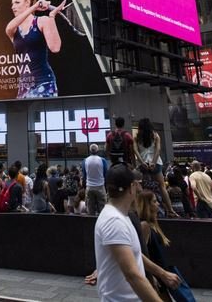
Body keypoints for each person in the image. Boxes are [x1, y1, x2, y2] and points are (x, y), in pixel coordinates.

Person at [94, 164, 164, 302]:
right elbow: (132, 275)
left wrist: (162, 273)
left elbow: (132, 253)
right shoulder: (114, 221)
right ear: (132, 187)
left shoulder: (121, 216)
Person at [4, 0, 66, 98]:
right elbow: (8, 27)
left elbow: (55, 48)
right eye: (12, 3)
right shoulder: (13, 30)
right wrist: (35, 7)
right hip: (24, 86)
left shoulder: (42, 21)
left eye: (17, 2)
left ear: (28, 2)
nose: (13, 6)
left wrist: (51, 17)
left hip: (44, 82)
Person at [134, 119, 176, 217]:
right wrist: (153, 162)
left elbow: (135, 151)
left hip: (143, 165)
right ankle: (170, 210)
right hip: (156, 163)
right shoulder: (155, 135)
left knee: (144, 188)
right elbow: (158, 149)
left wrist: (142, 162)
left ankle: (142, 209)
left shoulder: (137, 137)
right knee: (162, 186)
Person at [83, 143, 108, 215]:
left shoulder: (85, 160)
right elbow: (105, 173)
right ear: (98, 151)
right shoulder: (102, 160)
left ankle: (91, 223)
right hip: (100, 186)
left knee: (90, 208)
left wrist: (85, 186)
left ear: (90, 151)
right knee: (102, 208)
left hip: (89, 187)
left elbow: (84, 175)